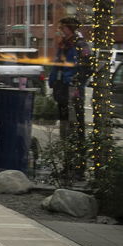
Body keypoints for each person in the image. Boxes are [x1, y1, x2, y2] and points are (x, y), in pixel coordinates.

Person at [48, 15, 93, 153]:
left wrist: (77, 80)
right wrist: (53, 79)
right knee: (63, 115)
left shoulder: (81, 45)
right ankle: (65, 145)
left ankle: (78, 147)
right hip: (61, 85)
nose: (60, 30)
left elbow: (89, 66)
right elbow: (57, 64)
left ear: (69, 29)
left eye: (62, 28)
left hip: (72, 86)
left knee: (75, 116)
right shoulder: (63, 44)